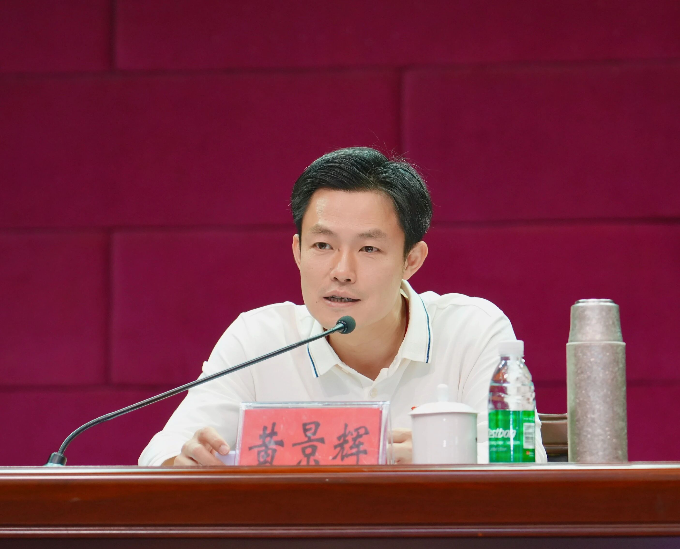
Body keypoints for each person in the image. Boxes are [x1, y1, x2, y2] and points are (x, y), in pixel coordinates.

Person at [139, 147, 546, 466]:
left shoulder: (472, 332)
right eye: (322, 245)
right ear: (297, 251)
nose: (342, 271)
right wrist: (186, 460)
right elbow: (162, 453)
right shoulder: (259, 339)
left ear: (411, 260)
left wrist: (437, 456)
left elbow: (524, 465)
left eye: (368, 248)